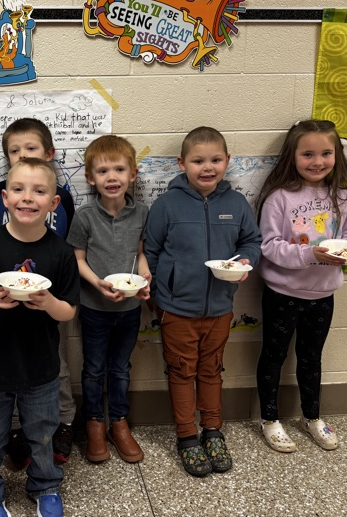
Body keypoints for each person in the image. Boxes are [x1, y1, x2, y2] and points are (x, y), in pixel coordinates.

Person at [0, 158, 80, 517]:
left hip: (41, 367)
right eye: (18, 189)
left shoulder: (60, 253)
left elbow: (69, 311)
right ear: (5, 196)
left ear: (53, 203)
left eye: (39, 191)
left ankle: (45, 486)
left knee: (43, 435)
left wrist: (49, 303)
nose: (28, 198)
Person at [144, 126, 262, 477]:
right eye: (198, 161)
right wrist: (158, 296)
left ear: (227, 161)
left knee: (211, 369)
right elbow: (150, 252)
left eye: (215, 160)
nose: (207, 167)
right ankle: (186, 437)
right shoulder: (166, 205)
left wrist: (244, 261)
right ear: (182, 163)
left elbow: (251, 242)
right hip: (176, 308)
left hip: (220, 308)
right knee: (182, 372)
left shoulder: (237, 203)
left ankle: (213, 430)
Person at [255, 119, 347, 453]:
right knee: (274, 356)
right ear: (293, 156)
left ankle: (311, 417)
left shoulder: (342, 196)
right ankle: (269, 419)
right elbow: (269, 245)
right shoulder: (279, 199)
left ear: (337, 155)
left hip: (323, 294)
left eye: (326, 153)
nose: (317, 161)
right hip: (283, 293)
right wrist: (309, 253)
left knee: (311, 357)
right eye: (308, 154)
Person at [0, 117, 77, 466]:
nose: (22, 155)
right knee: (6, 368)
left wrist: (52, 294)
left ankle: (63, 422)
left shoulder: (60, 197)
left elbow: (64, 243)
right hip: (2, 300)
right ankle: (17, 430)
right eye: (14, 151)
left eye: (31, 148)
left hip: (46, 297)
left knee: (55, 364)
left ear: (49, 154)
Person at [66, 135, 150, 464]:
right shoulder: (85, 216)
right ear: (90, 178)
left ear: (133, 174)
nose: (111, 177)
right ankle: (94, 423)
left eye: (119, 169)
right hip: (94, 307)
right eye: (103, 171)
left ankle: (118, 421)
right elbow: (77, 260)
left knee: (120, 368)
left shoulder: (142, 213)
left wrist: (145, 280)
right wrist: (98, 284)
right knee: (93, 368)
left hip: (130, 309)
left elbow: (141, 255)